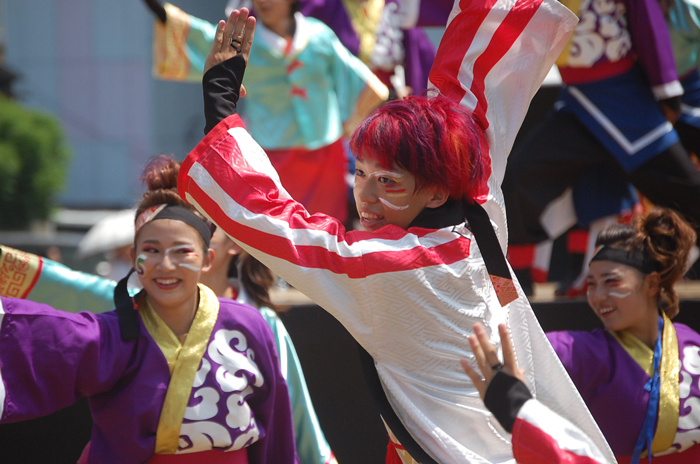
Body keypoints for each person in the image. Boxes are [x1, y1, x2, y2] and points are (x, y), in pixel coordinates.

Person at [178, 4, 616, 463]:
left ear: (432, 190)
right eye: (361, 173)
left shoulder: (388, 265)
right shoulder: (477, 206)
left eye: (388, 181)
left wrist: (221, 110)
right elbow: (469, 101)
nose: (364, 196)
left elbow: (276, 220)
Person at [0, 153, 297, 461]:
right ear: (134, 258)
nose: (165, 265)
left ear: (207, 259)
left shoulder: (249, 324)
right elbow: (40, 338)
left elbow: (276, 426)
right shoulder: (110, 334)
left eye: (182, 251)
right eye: (151, 250)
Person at [502, 0, 700, 294]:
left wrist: (665, 89)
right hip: (576, 103)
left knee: (687, 192)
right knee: (519, 180)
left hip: (627, 104)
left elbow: (649, 26)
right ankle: (513, 291)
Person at [146, 0, 389, 225]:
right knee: (278, 228)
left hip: (326, 155)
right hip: (272, 159)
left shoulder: (319, 36)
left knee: (329, 229)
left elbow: (355, 81)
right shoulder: (243, 43)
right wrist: (161, 12)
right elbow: (200, 37)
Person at [547, 208, 700, 463]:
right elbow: (523, 340)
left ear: (651, 284)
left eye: (611, 281)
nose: (597, 297)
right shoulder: (585, 352)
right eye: (591, 284)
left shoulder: (691, 341)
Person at [462, 322, 613, 464]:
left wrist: (517, 407)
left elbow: (510, 303)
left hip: (505, 392)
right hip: (479, 385)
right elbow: (512, 305)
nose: (598, 296)